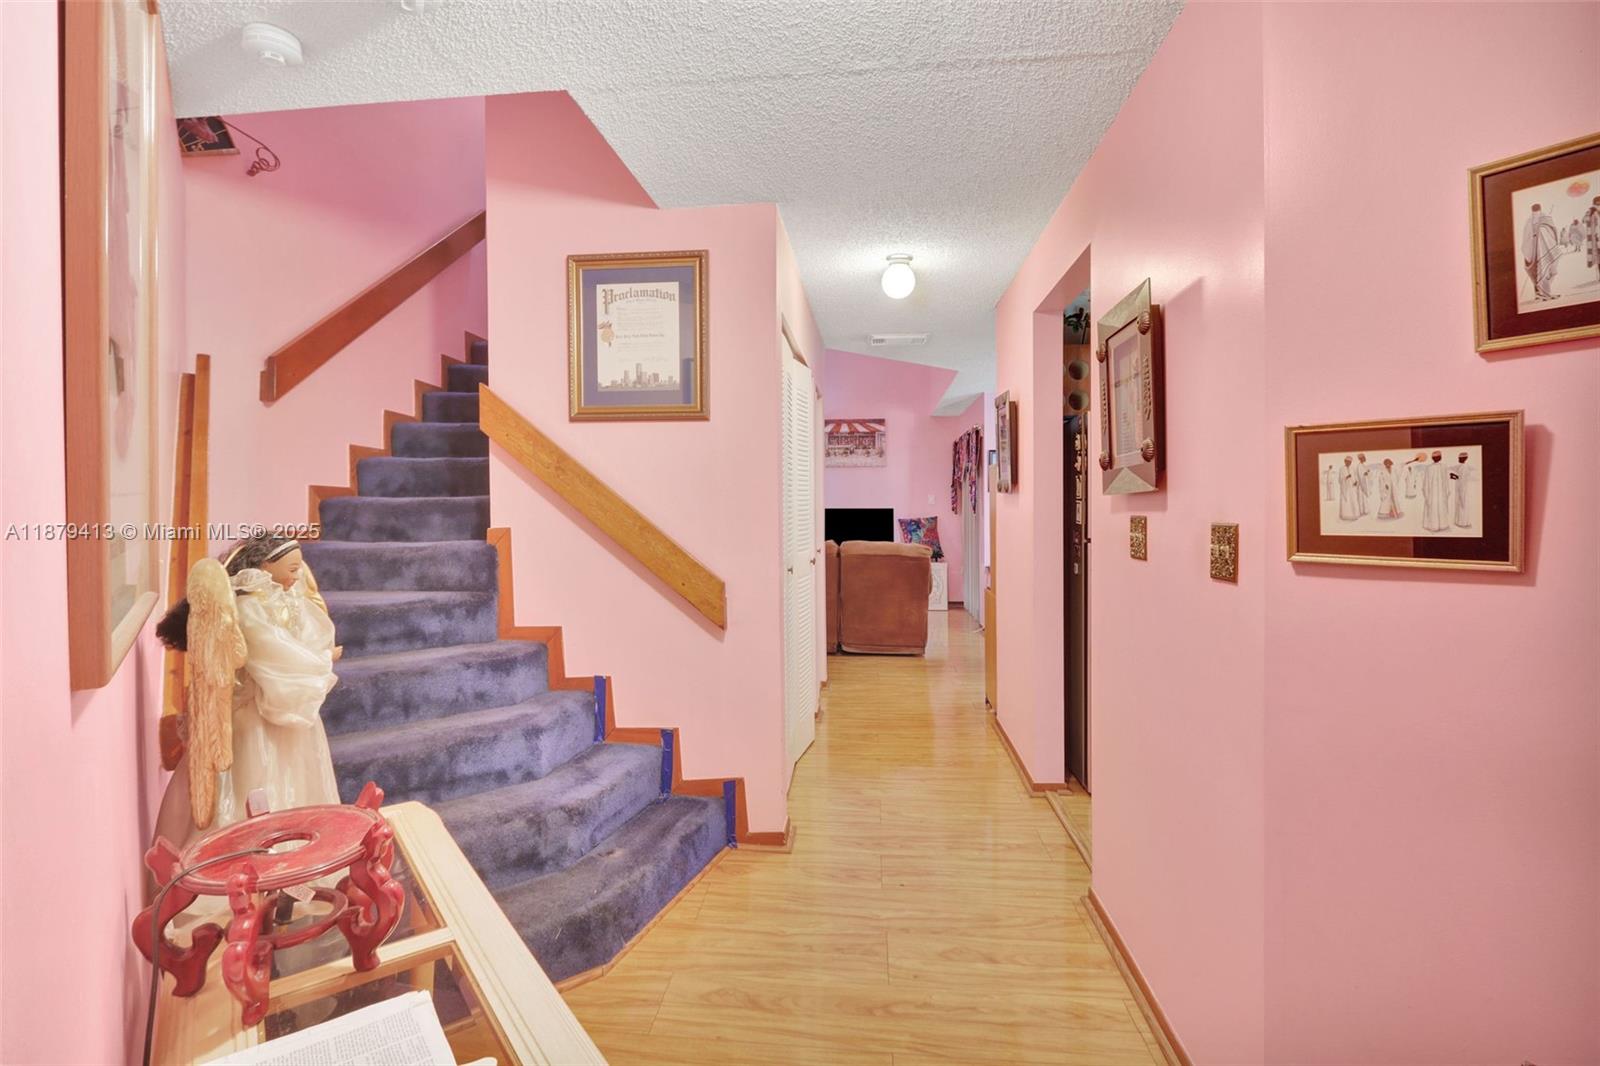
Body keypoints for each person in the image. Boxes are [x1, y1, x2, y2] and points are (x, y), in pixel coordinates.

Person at [153, 534, 344, 845]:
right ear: (264, 566)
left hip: (284, 706)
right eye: (292, 569)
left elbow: (305, 632)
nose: (297, 576)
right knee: (254, 782)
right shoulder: (246, 606)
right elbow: (273, 653)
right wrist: (323, 658)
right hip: (256, 715)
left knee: (296, 780)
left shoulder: (278, 599)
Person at [1522, 201, 1562, 302]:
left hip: (1541, 249)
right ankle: (1542, 294)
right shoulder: (1537, 220)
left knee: (1542, 271)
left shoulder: (1543, 218)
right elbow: (1553, 232)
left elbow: (1552, 231)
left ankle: (1541, 293)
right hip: (1536, 250)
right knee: (1539, 272)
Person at [1410, 451, 1453, 533]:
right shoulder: (1442, 467)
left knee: (1433, 507)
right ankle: (1442, 525)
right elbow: (1446, 482)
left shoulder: (1431, 467)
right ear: (1440, 457)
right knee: (1439, 506)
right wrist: (1447, 492)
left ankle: (1434, 525)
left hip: (1433, 493)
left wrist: (1426, 494)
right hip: (1440, 493)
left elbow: (1426, 483)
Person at [1450, 451, 1474, 528]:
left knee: (1462, 504)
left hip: (1462, 488)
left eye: (1460, 458)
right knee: (1461, 504)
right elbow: (1460, 477)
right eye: (1458, 458)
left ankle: (1462, 522)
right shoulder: (1462, 466)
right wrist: (1454, 476)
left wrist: (1454, 476)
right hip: (1461, 488)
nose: (1458, 459)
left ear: (1464, 458)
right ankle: (1460, 521)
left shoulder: (1464, 467)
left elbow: (1462, 480)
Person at [1338, 455, 1362, 521]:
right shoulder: (1341, 469)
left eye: (1349, 462)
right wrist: (1346, 477)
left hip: (1352, 488)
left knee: (1353, 500)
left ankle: (1355, 515)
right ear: (1345, 462)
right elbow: (1339, 480)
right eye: (1347, 461)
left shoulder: (1353, 468)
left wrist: (1356, 482)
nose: (1348, 463)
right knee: (1346, 501)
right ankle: (1346, 516)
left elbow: (1356, 477)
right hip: (1345, 488)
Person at [1584, 195, 1600, 279]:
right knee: (1597, 258)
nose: (1598, 205)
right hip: (1595, 239)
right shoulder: (1591, 211)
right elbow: (1584, 220)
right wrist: (1591, 212)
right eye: (1597, 204)